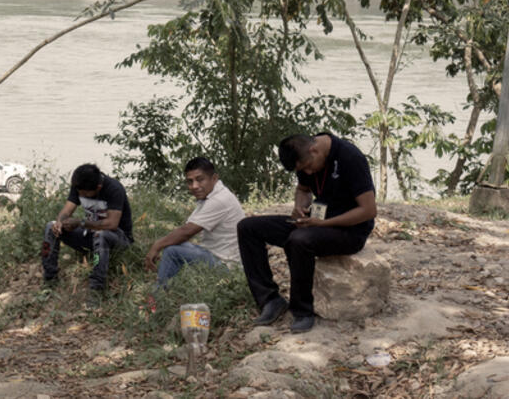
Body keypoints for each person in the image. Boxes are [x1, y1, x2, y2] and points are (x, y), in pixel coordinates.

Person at [238, 133, 378, 334]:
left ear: (314, 150)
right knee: (248, 227)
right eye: (302, 170)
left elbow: (368, 210)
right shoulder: (305, 157)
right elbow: (303, 190)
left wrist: (324, 223)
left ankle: (303, 310)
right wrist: (300, 207)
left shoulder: (349, 157)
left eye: (308, 166)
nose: (308, 172)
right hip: (316, 223)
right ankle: (270, 299)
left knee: (299, 240)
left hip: (350, 231)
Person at [143, 157, 246, 287]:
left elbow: (187, 231)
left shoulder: (219, 200)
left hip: (228, 268)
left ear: (214, 178)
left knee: (172, 251)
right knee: (176, 244)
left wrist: (157, 246)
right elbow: (185, 230)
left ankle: (158, 296)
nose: (194, 186)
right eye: (190, 181)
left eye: (200, 179)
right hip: (216, 257)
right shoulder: (212, 194)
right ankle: (165, 288)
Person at [41, 163, 135, 299]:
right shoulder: (79, 185)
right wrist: (60, 222)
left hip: (119, 239)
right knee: (51, 226)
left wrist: (81, 223)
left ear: (98, 187)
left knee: (101, 235)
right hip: (90, 235)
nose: (81, 195)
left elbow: (112, 224)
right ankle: (50, 279)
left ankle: (96, 289)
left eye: (85, 194)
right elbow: (67, 210)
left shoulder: (114, 189)